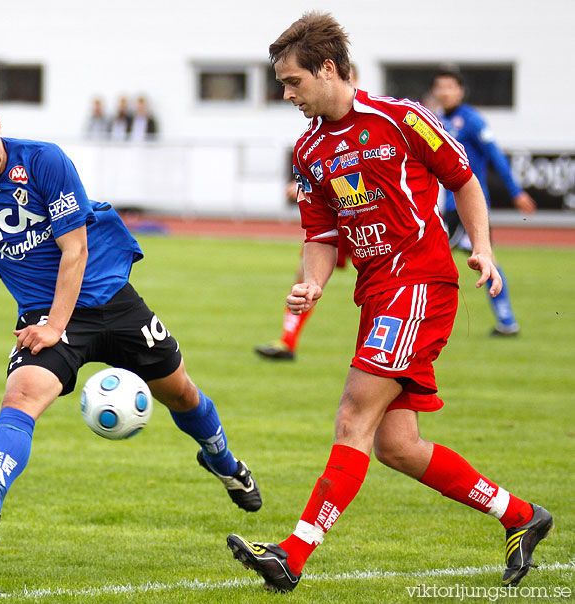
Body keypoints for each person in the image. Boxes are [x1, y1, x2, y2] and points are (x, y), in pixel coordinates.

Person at [227, 13, 552, 592]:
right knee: (397, 447)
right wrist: (314, 282)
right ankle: (521, 516)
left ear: (328, 69)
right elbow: (322, 233)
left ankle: (292, 556)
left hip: (421, 284)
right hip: (377, 295)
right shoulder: (308, 150)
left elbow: (465, 179)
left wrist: (482, 248)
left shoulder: (400, 119)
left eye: (293, 81)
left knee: (353, 415)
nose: (286, 94)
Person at [0, 93, 261, 537]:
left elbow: (76, 249)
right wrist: (43, 317)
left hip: (109, 299)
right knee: (21, 397)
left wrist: (54, 325)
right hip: (42, 314)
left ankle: (223, 463)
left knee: (181, 394)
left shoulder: (45, 160)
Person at [255, 63, 358, 361]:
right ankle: (288, 341)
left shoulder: (375, 122)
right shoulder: (314, 138)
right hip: (336, 222)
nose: (289, 94)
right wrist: (302, 188)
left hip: (370, 223)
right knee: (305, 275)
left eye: (294, 83)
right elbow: (327, 174)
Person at [431, 70, 537, 336]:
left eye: (450, 87)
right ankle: (507, 322)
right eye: (440, 87)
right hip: (449, 207)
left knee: (432, 257)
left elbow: (495, 156)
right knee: (484, 260)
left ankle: (424, 319)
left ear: (461, 91)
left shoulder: (471, 121)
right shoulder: (435, 120)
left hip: (467, 208)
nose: (444, 92)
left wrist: (515, 192)